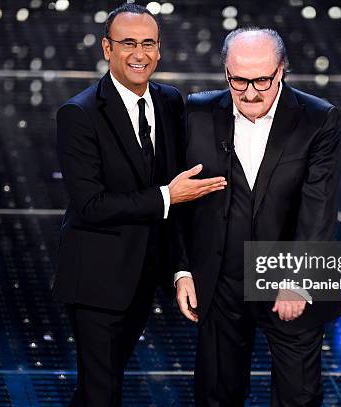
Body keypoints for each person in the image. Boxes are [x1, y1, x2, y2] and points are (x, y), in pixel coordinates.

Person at [52, 4, 226, 406]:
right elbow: (91, 205)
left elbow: (179, 198)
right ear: (107, 48)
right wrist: (167, 196)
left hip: (144, 280)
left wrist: (182, 270)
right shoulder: (79, 114)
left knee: (101, 386)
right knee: (101, 392)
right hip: (95, 281)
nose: (139, 54)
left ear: (159, 50)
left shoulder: (169, 101)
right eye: (128, 43)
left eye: (148, 43)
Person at [175, 27, 341, 406]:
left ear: (282, 70)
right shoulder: (197, 113)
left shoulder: (318, 119)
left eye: (262, 81)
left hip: (291, 275)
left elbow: (319, 207)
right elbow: (182, 203)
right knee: (216, 395)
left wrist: (299, 279)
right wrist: (184, 270)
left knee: (298, 396)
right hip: (220, 280)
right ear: (225, 72)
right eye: (238, 81)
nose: (250, 92)